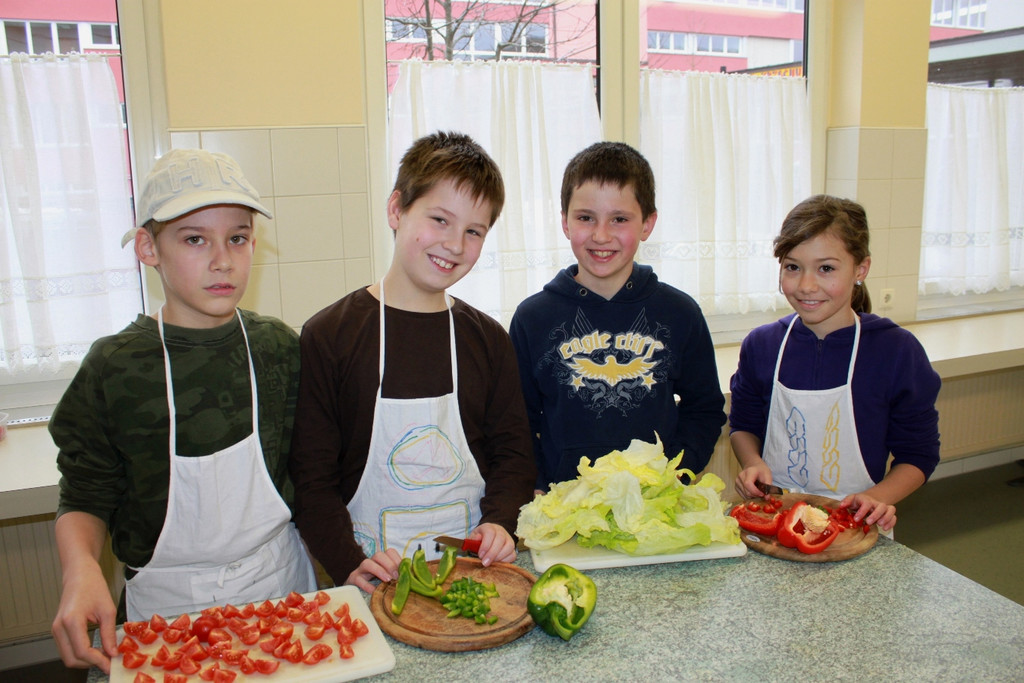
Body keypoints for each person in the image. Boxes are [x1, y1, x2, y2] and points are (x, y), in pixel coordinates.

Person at [49, 149, 316, 673]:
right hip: (167, 609)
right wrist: (80, 569)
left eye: (237, 238)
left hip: (280, 588)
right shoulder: (115, 367)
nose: (223, 261)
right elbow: (85, 492)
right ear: (148, 248)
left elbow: (310, 471)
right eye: (195, 239)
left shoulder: (278, 348)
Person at [289, 131, 536, 593]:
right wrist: (347, 562)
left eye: (474, 231)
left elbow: (514, 457)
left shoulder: (487, 340)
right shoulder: (330, 336)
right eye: (440, 219)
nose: (455, 245)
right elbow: (312, 480)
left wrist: (501, 522)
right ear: (396, 209)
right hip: (370, 578)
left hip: (475, 575)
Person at [509, 141, 726, 491]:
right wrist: (537, 483)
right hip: (563, 502)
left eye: (619, 219)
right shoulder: (532, 318)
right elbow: (517, 422)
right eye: (585, 218)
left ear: (647, 224)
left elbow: (704, 409)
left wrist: (674, 474)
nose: (601, 235)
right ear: (565, 222)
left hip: (655, 503)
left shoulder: (680, 313)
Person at [729, 194, 941, 532]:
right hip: (774, 518)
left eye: (826, 268)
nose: (806, 285)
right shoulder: (762, 345)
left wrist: (877, 497)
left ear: (861, 269)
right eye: (792, 267)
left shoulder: (896, 351)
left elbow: (918, 454)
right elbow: (743, 425)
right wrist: (752, 463)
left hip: (855, 524)